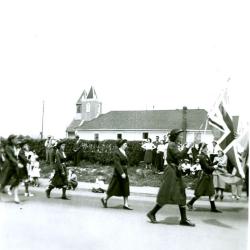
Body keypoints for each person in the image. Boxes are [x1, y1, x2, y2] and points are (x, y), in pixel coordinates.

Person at [146, 129, 195, 226]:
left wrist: (179, 164)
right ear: (175, 136)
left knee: (181, 192)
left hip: (175, 170)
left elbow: (177, 158)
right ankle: (152, 213)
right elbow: (179, 155)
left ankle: (183, 219)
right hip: (171, 171)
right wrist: (188, 147)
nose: (181, 137)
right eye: (180, 135)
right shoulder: (172, 144)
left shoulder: (174, 145)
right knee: (167, 193)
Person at [187, 143, 222, 213]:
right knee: (200, 192)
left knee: (211, 192)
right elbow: (207, 168)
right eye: (206, 148)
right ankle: (190, 203)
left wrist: (217, 162)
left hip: (208, 176)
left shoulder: (205, 156)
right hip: (204, 176)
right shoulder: (201, 157)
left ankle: (213, 208)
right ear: (202, 148)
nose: (207, 149)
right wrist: (214, 167)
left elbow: (210, 164)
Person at [101, 139, 132, 210]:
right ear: (121, 145)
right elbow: (117, 164)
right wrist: (122, 173)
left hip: (124, 172)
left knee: (126, 187)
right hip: (118, 173)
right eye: (125, 144)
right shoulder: (116, 153)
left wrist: (125, 171)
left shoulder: (124, 152)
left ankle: (126, 204)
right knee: (113, 188)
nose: (126, 145)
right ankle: (105, 199)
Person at [0, 134, 23, 203]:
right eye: (15, 139)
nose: (17, 140)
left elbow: (16, 156)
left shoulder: (15, 147)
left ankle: (16, 197)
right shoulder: (7, 147)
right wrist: (17, 163)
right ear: (11, 140)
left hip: (14, 167)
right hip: (8, 166)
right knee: (3, 183)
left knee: (17, 181)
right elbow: (10, 157)